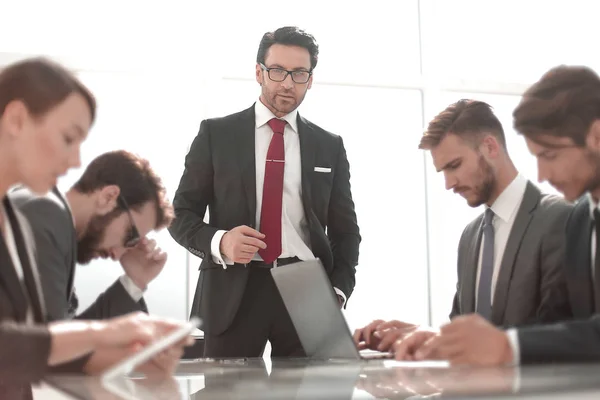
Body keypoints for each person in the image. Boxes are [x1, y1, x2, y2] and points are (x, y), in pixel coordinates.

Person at [169, 26, 361, 357]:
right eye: (277, 71)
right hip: (234, 288)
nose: (288, 83)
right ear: (259, 72)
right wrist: (221, 242)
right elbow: (179, 214)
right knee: (228, 394)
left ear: (310, 80)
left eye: (299, 73)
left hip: (309, 288)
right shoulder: (217, 135)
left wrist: (337, 292)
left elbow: (346, 232)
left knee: (320, 393)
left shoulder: (329, 146)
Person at [0, 58, 188, 391]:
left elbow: (38, 342)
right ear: (16, 119)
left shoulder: (20, 216)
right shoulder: (45, 211)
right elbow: (42, 342)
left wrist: (126, 337)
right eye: (68, 138)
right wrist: (106, 338)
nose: (75, 161)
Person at [393, 65, 600, 365]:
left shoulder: (562, 217)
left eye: (550, 155)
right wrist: (432, 338)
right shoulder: (581, 218)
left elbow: (556, 327)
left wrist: (509, 346)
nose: (541, 174)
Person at [354, 100, 571, 353]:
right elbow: (466, 331)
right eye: (442, 171)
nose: (448, 183)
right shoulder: (470, 236)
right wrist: (416, 335)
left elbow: (561, 334)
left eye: (454, 165)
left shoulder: (560, 219)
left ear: (490, 147)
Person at [10, 150, 173, 321]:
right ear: (108, 197)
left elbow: (61, 336)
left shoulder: (47, 217)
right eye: (129, 236)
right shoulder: (42, 218)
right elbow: (50, 343)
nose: (117, 255)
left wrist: (134, 282)